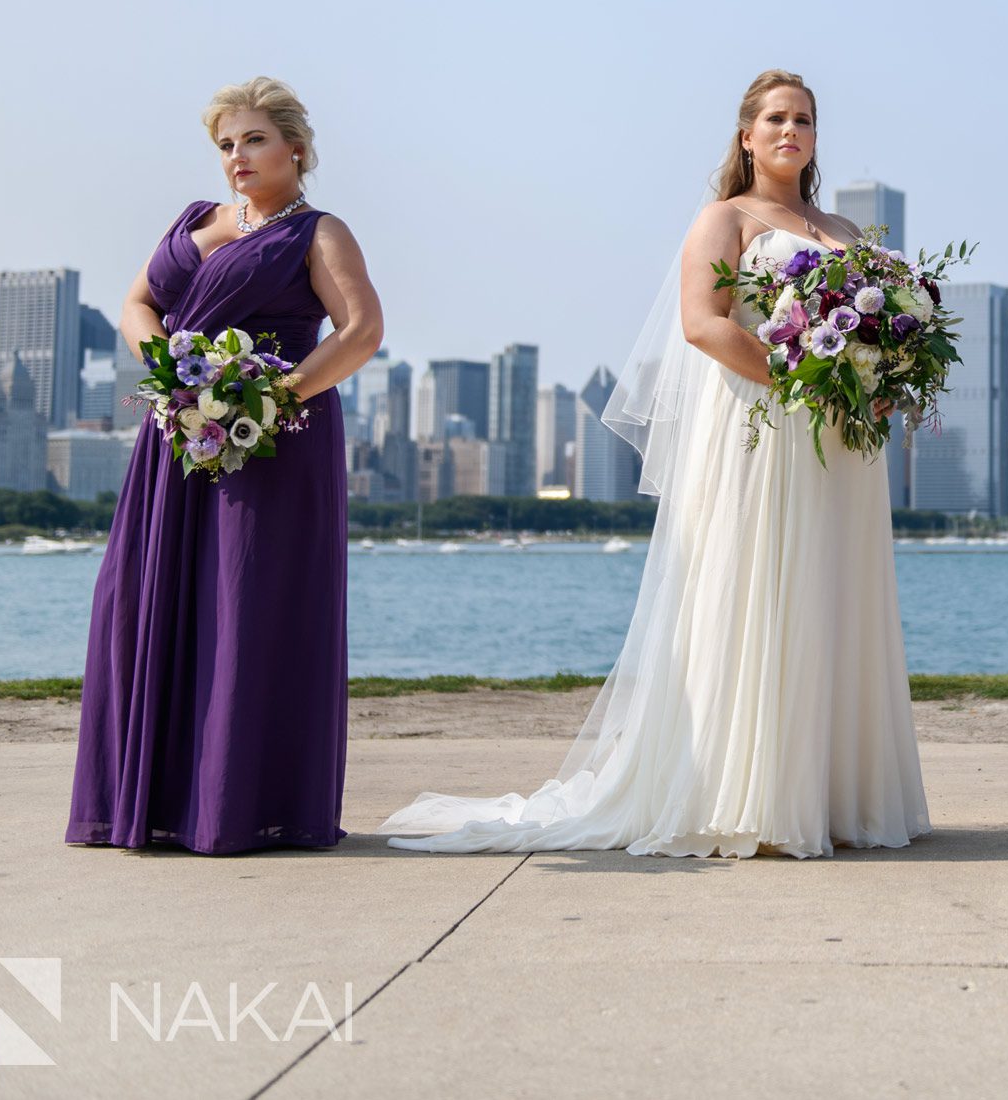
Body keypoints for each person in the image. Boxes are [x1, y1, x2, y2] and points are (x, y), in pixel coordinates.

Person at [383, 70, 930, 858]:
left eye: (804, 120)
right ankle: (748, 794)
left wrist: (879, 386)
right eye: (775, 118)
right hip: (762, 423)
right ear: (746, 136)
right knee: (755, 589)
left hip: (840, 442)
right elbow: (703, 324)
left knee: (834, 589)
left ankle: (837, 792)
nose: (790, 131)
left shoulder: (843, 226)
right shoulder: (724, 218)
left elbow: (878, 336)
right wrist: (804, 381)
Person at [67, 78, 382, 853]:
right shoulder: (194, 221)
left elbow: (363, 330)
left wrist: (265, 398)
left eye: (253, 140)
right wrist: (182, 379)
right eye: (226, 145)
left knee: (248, 605)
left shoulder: (318, 232)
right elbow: (137, 304)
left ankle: (240, 806)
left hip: (272, 442)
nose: (236, 157)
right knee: (137, 600)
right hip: (177, 433)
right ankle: (151, 802)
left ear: (295, 149)